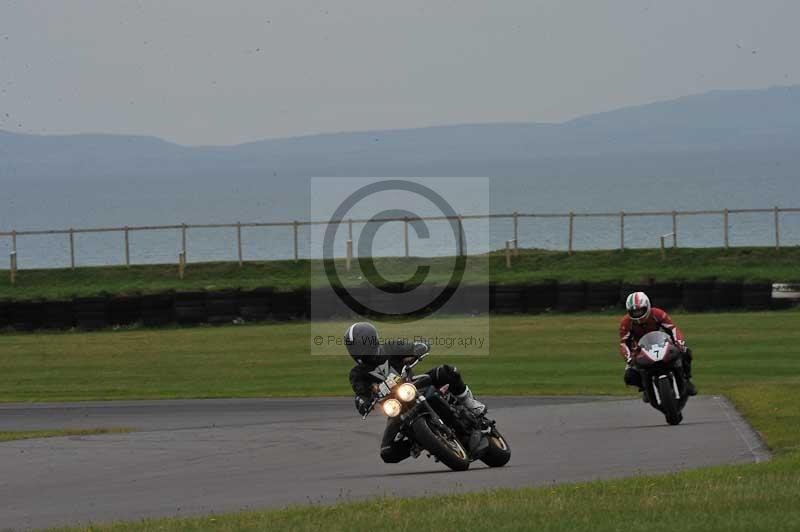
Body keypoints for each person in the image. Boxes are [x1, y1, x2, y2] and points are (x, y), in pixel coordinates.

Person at [345, 321, 485, 463]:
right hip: (396, 408)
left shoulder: (391, 347)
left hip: (414, 387)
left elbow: (417, 346)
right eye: (353, 347)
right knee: (387, 452)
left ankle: (470, 403)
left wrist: (417, 350)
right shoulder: (357, 374)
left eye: (360, 346)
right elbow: (361, 393)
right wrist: (363, 402)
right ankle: (424, 441)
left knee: (447, 372)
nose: (358, 350)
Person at [619, 291, 697, 396]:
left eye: (640, 311)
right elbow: (624, 343)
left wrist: (679, 343)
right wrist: (629, 358)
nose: (637, 314)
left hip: (661, 343)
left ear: (647, 306)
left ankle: (687, 380)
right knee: (629, 376)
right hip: (640, 350)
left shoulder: (657, 314)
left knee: (686, 352)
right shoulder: (626, 322)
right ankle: (645, 388)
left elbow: (672, 329)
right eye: (634, 312)